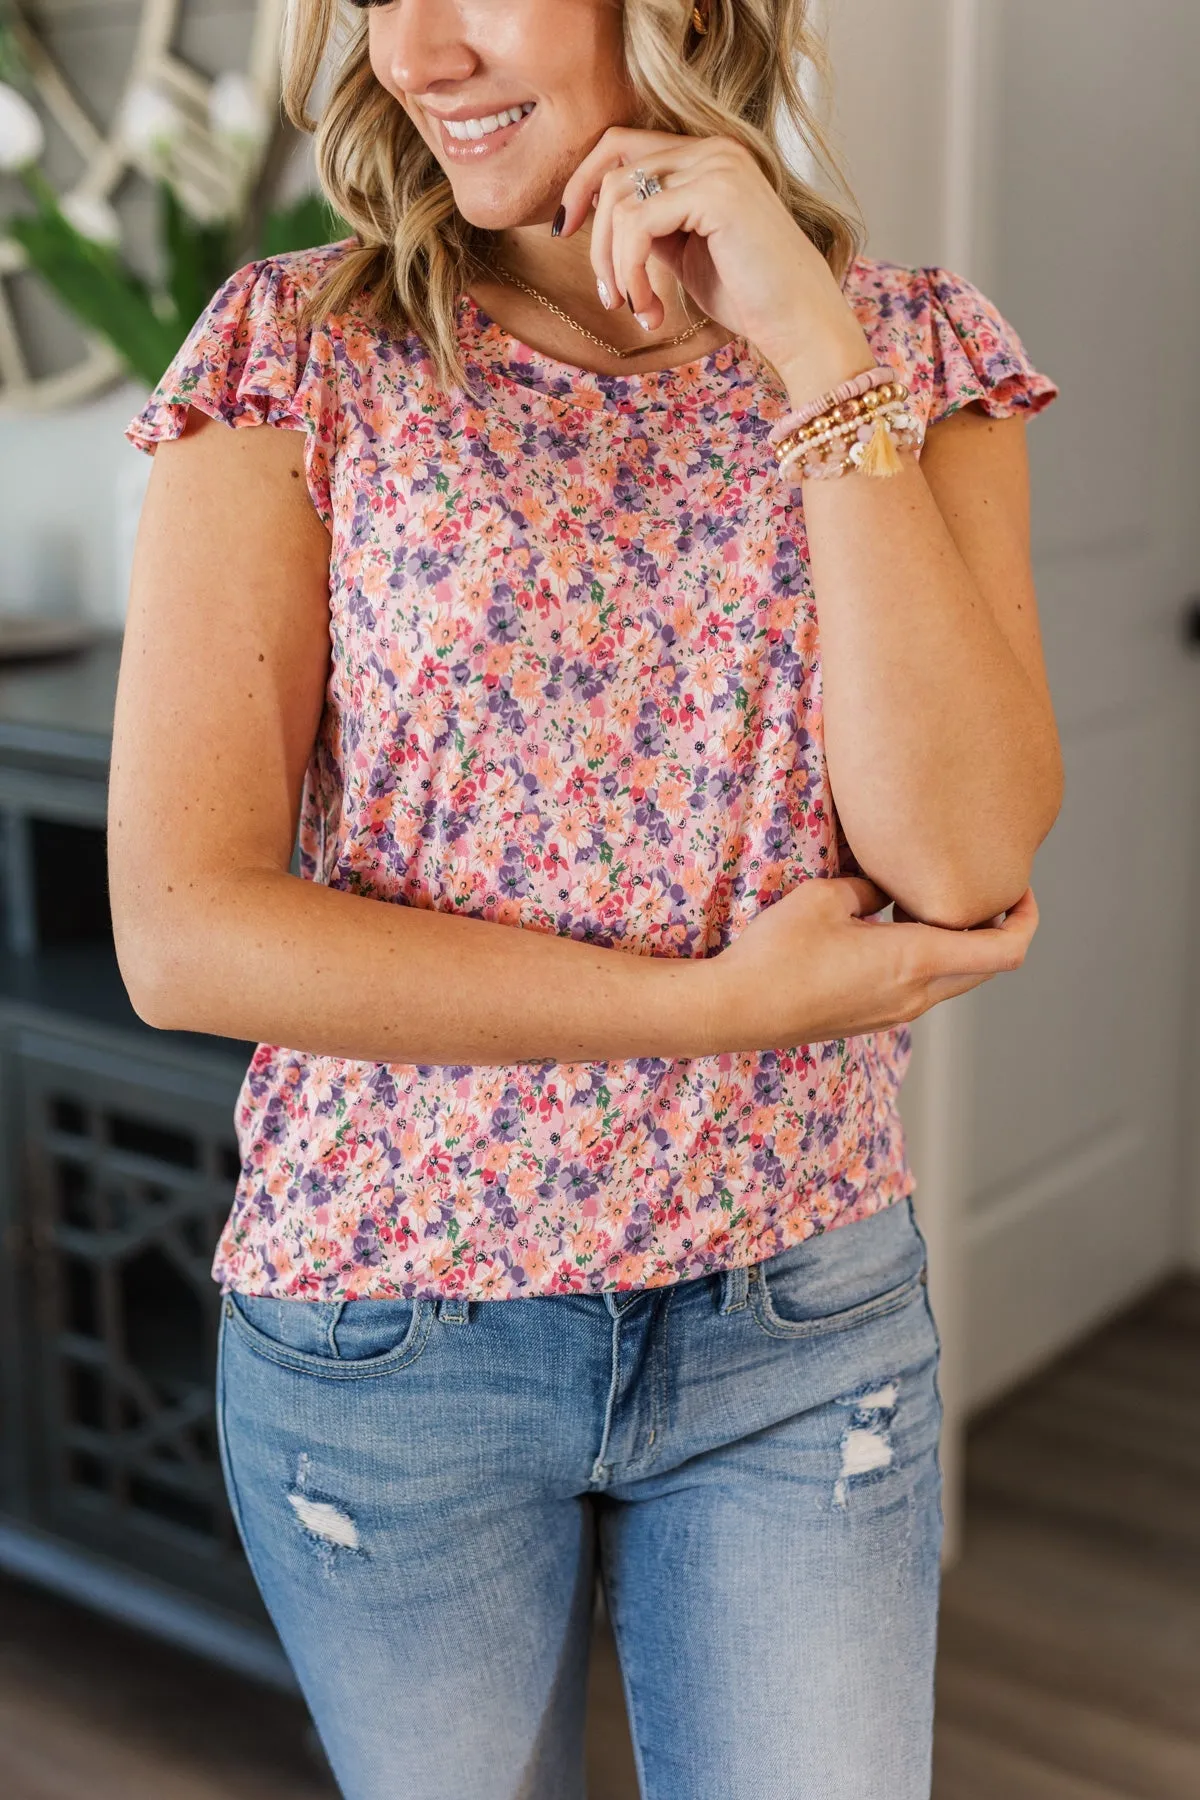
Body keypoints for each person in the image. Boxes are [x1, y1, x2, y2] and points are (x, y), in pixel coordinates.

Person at [108, 1, 1061, 1795]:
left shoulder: (906, 352)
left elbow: (965, 860)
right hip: (391, 1324)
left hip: (796, 1312)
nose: (419, 51)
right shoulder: (298, 356)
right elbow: (185, 931)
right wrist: (715, 1011)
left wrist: (808, 353)